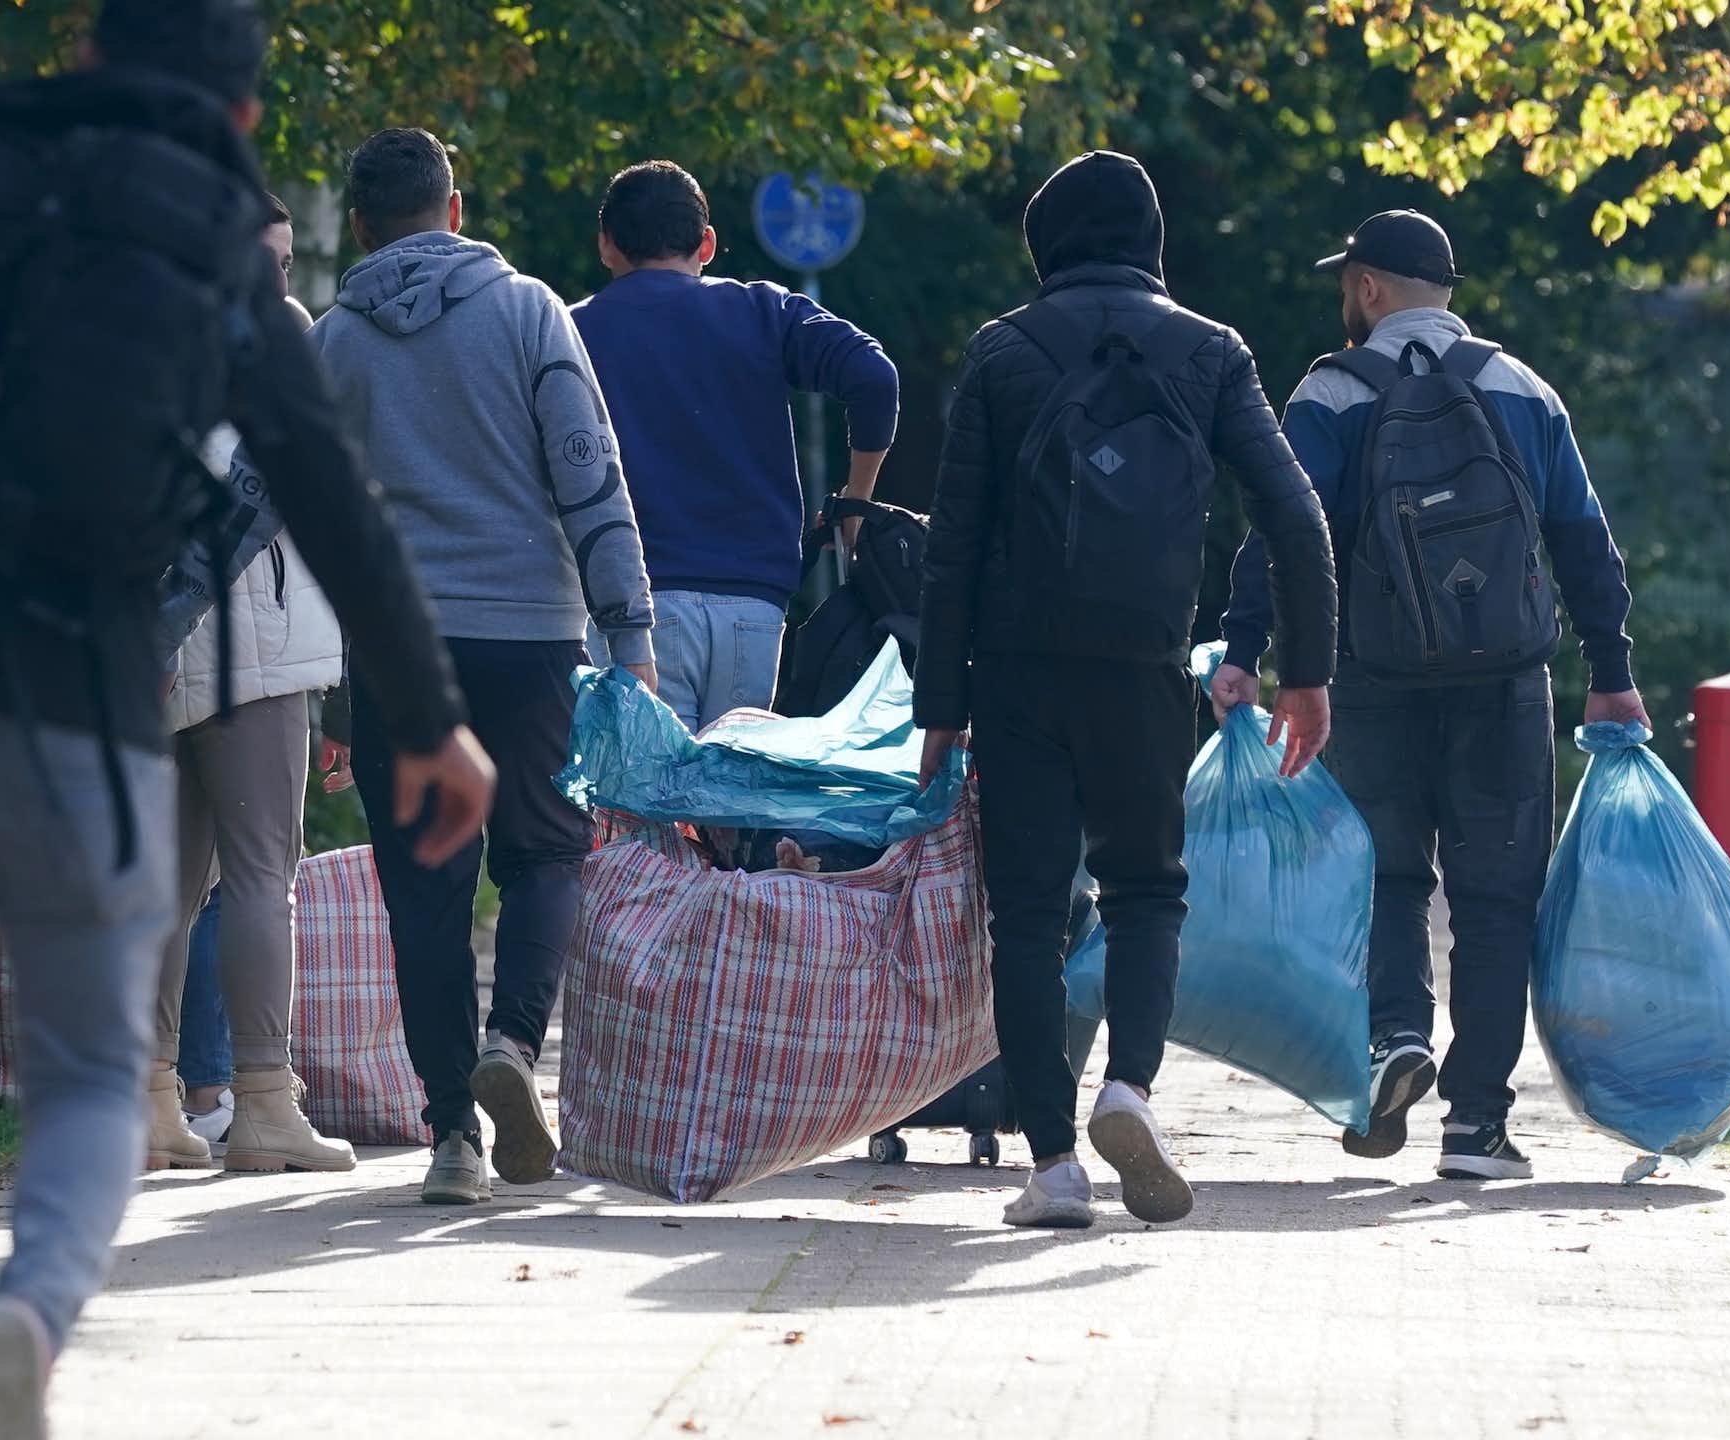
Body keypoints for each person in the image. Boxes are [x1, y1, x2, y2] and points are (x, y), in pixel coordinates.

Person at [0, 3, 494, 1435]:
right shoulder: (218, 251)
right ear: (241, 117)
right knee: (86, 1073)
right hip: (82, 710)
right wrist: (429, 715)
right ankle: (27, 1315)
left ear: (83, 59)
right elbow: (321, 487)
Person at [914, 150, 1340, 1231]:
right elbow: (1292, 517)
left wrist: (939, 710)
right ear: (1152, 241)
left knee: (1022, 915)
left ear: (1044, 244)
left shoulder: (1003, 354)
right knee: (1146, 890)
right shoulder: (1210, 351)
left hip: (1013, 673)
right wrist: (1309, 673)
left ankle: (1052, 1165)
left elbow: (952, 547)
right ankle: (1129, 1090)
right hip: (1144, 665)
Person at [1214, 209, 1646, 1182]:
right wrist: (1610, 674)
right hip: (1505, 682)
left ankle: (1394, 1039)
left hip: (1369, 680)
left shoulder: (1330, 391)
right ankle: (1475, 1130)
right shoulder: (1521, 388)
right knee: (1497, 902)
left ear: (1367, 289)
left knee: (1386, 879)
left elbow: (1283, 534)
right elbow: (1583, 540)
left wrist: (1246, 652)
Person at [327, 125, 656, 1206]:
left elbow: (278, 507)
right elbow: (589, 478)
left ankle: (450, 1139)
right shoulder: (529, 313)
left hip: (395, 649)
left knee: (423, 892)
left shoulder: (330, 342)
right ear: (455, 210)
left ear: (361, 225)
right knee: (546, 855)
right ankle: (513, 1042)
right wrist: (631, 634)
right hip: (529, 633)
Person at [143, 194, 360, 1176]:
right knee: (263, 876)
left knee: (169, 882)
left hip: (150, 636)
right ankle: (266, 1103)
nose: (280, 283)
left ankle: (151, 1100)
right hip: (252, 639)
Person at [571, 160, 899, 730]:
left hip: (635, 600)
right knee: (730, 798)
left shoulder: (572, 332)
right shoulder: (764, 311)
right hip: (755, 602)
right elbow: (875, 376)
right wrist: (856, 502)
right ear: (707, 243)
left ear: (606, 245)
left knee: (652, 803)